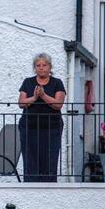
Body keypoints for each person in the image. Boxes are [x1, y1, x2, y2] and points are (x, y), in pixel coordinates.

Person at [18, 53, 66, 182]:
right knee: (30, 158)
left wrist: (43, 96)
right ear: (34, 68)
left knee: (49, 159)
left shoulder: (57, 83)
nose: (41, 68)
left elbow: (58, 104)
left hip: (52, 128)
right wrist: (34, 97)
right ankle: (30, 186)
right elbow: (21, 103)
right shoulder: (28, 82)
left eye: (44, 65)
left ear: (50, 67)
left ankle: (49, 187)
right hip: (29, 127)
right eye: (38, 65)